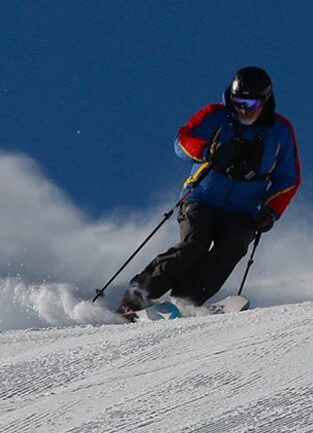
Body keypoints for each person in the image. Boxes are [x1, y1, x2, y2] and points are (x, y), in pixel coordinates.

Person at [117, 66, 301, 317]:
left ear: (265, 99)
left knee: (232, 248)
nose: (244, 108)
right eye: (239, 100)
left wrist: (270, 211)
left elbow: (288, 178)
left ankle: (185, 300)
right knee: (195, 244)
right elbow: (181, 142)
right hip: (202, 198)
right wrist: (209, 151)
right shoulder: (216, 115)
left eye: (251, 101)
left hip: (243, 210)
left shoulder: (280, 131)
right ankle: (138, 296)